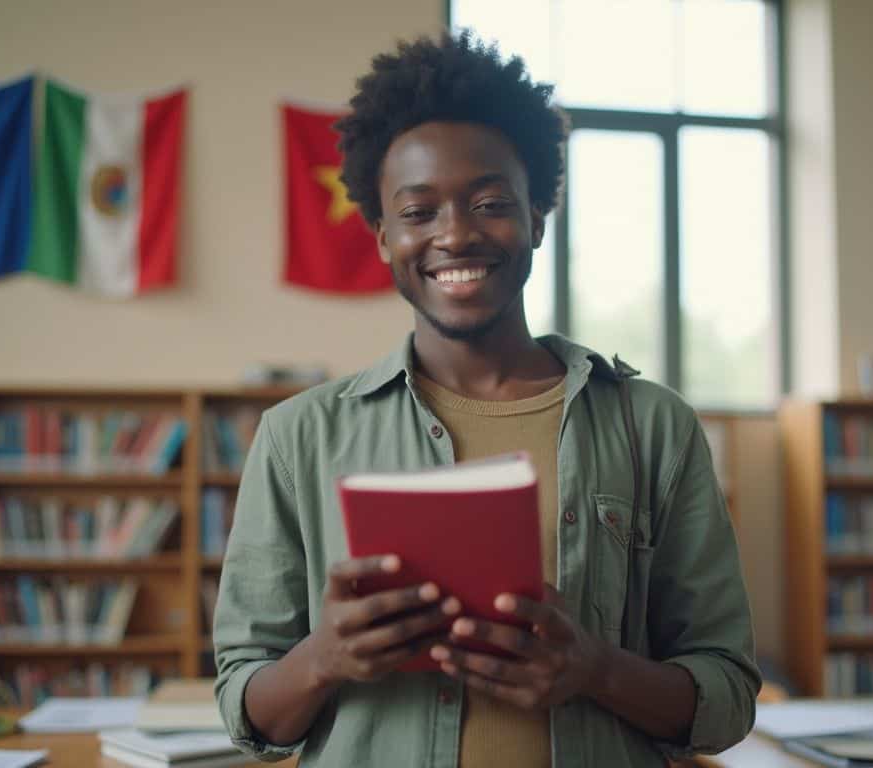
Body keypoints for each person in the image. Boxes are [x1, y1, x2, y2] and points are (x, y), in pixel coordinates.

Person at [214, 30, 760, 767]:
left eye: (490, 202)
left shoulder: (653, 426)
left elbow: (725, 698)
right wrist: (324, 656)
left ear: (537, 214)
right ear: (381, 237)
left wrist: (595, 669)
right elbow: (246, 709)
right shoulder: (298, 437)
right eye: (419, 212)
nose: (457, 235)